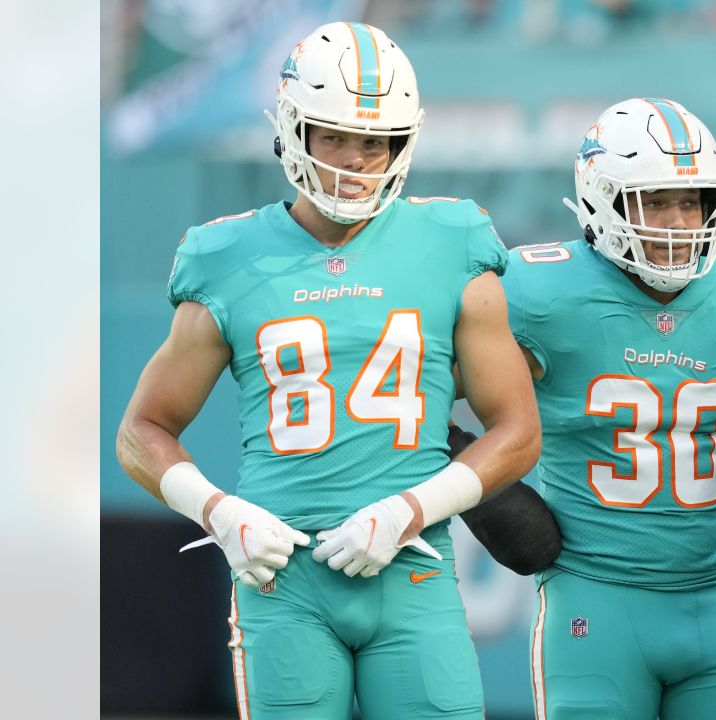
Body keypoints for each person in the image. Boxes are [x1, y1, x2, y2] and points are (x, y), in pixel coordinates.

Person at [115, 22, 541, 719]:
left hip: (415, 573)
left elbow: (517, 430)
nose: (353, 160)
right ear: (291, 129)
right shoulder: (228, 256)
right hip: (282, 581)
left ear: (402, 143)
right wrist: (218, 512)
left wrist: (411, 510)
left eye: (373, 142)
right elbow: (143, 429)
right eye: (333, 136)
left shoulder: (452, 240)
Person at [496, 97, 716, 719]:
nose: (676, 222)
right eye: (654, 200)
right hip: (595, 596)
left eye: (691, 202)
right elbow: (434, 400)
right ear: (599, 199)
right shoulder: (536, 292)